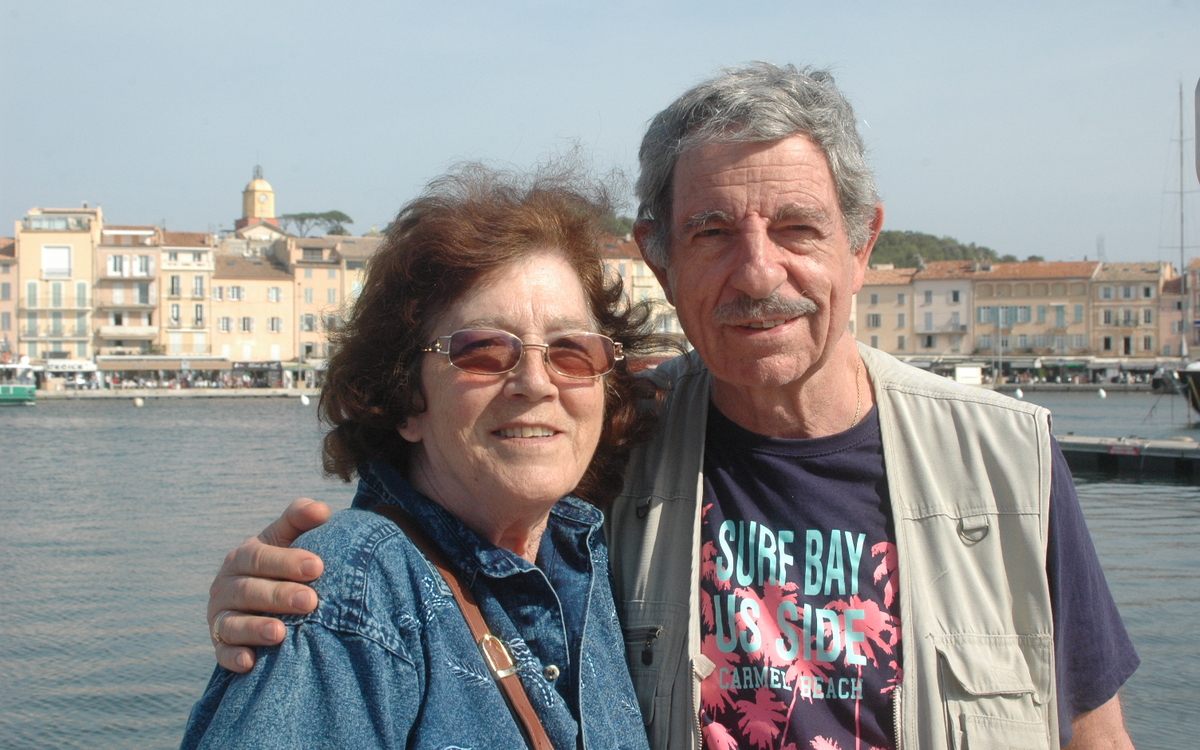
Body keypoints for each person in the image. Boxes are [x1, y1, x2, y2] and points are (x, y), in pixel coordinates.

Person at [206, 64, 1139, 750]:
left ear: (862, 247)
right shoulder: (612, 434)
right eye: (713, 231)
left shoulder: (1006, 462)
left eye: (798, 228)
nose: (759, 273)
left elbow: (1095, 734)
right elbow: (446, 517)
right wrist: (289, 602)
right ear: (661, 259)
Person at [183, 166, 659, 750]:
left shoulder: (589, 559)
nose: (536, 383)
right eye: (483, 350)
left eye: (572, 351)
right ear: (408, 399)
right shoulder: (356, 588)